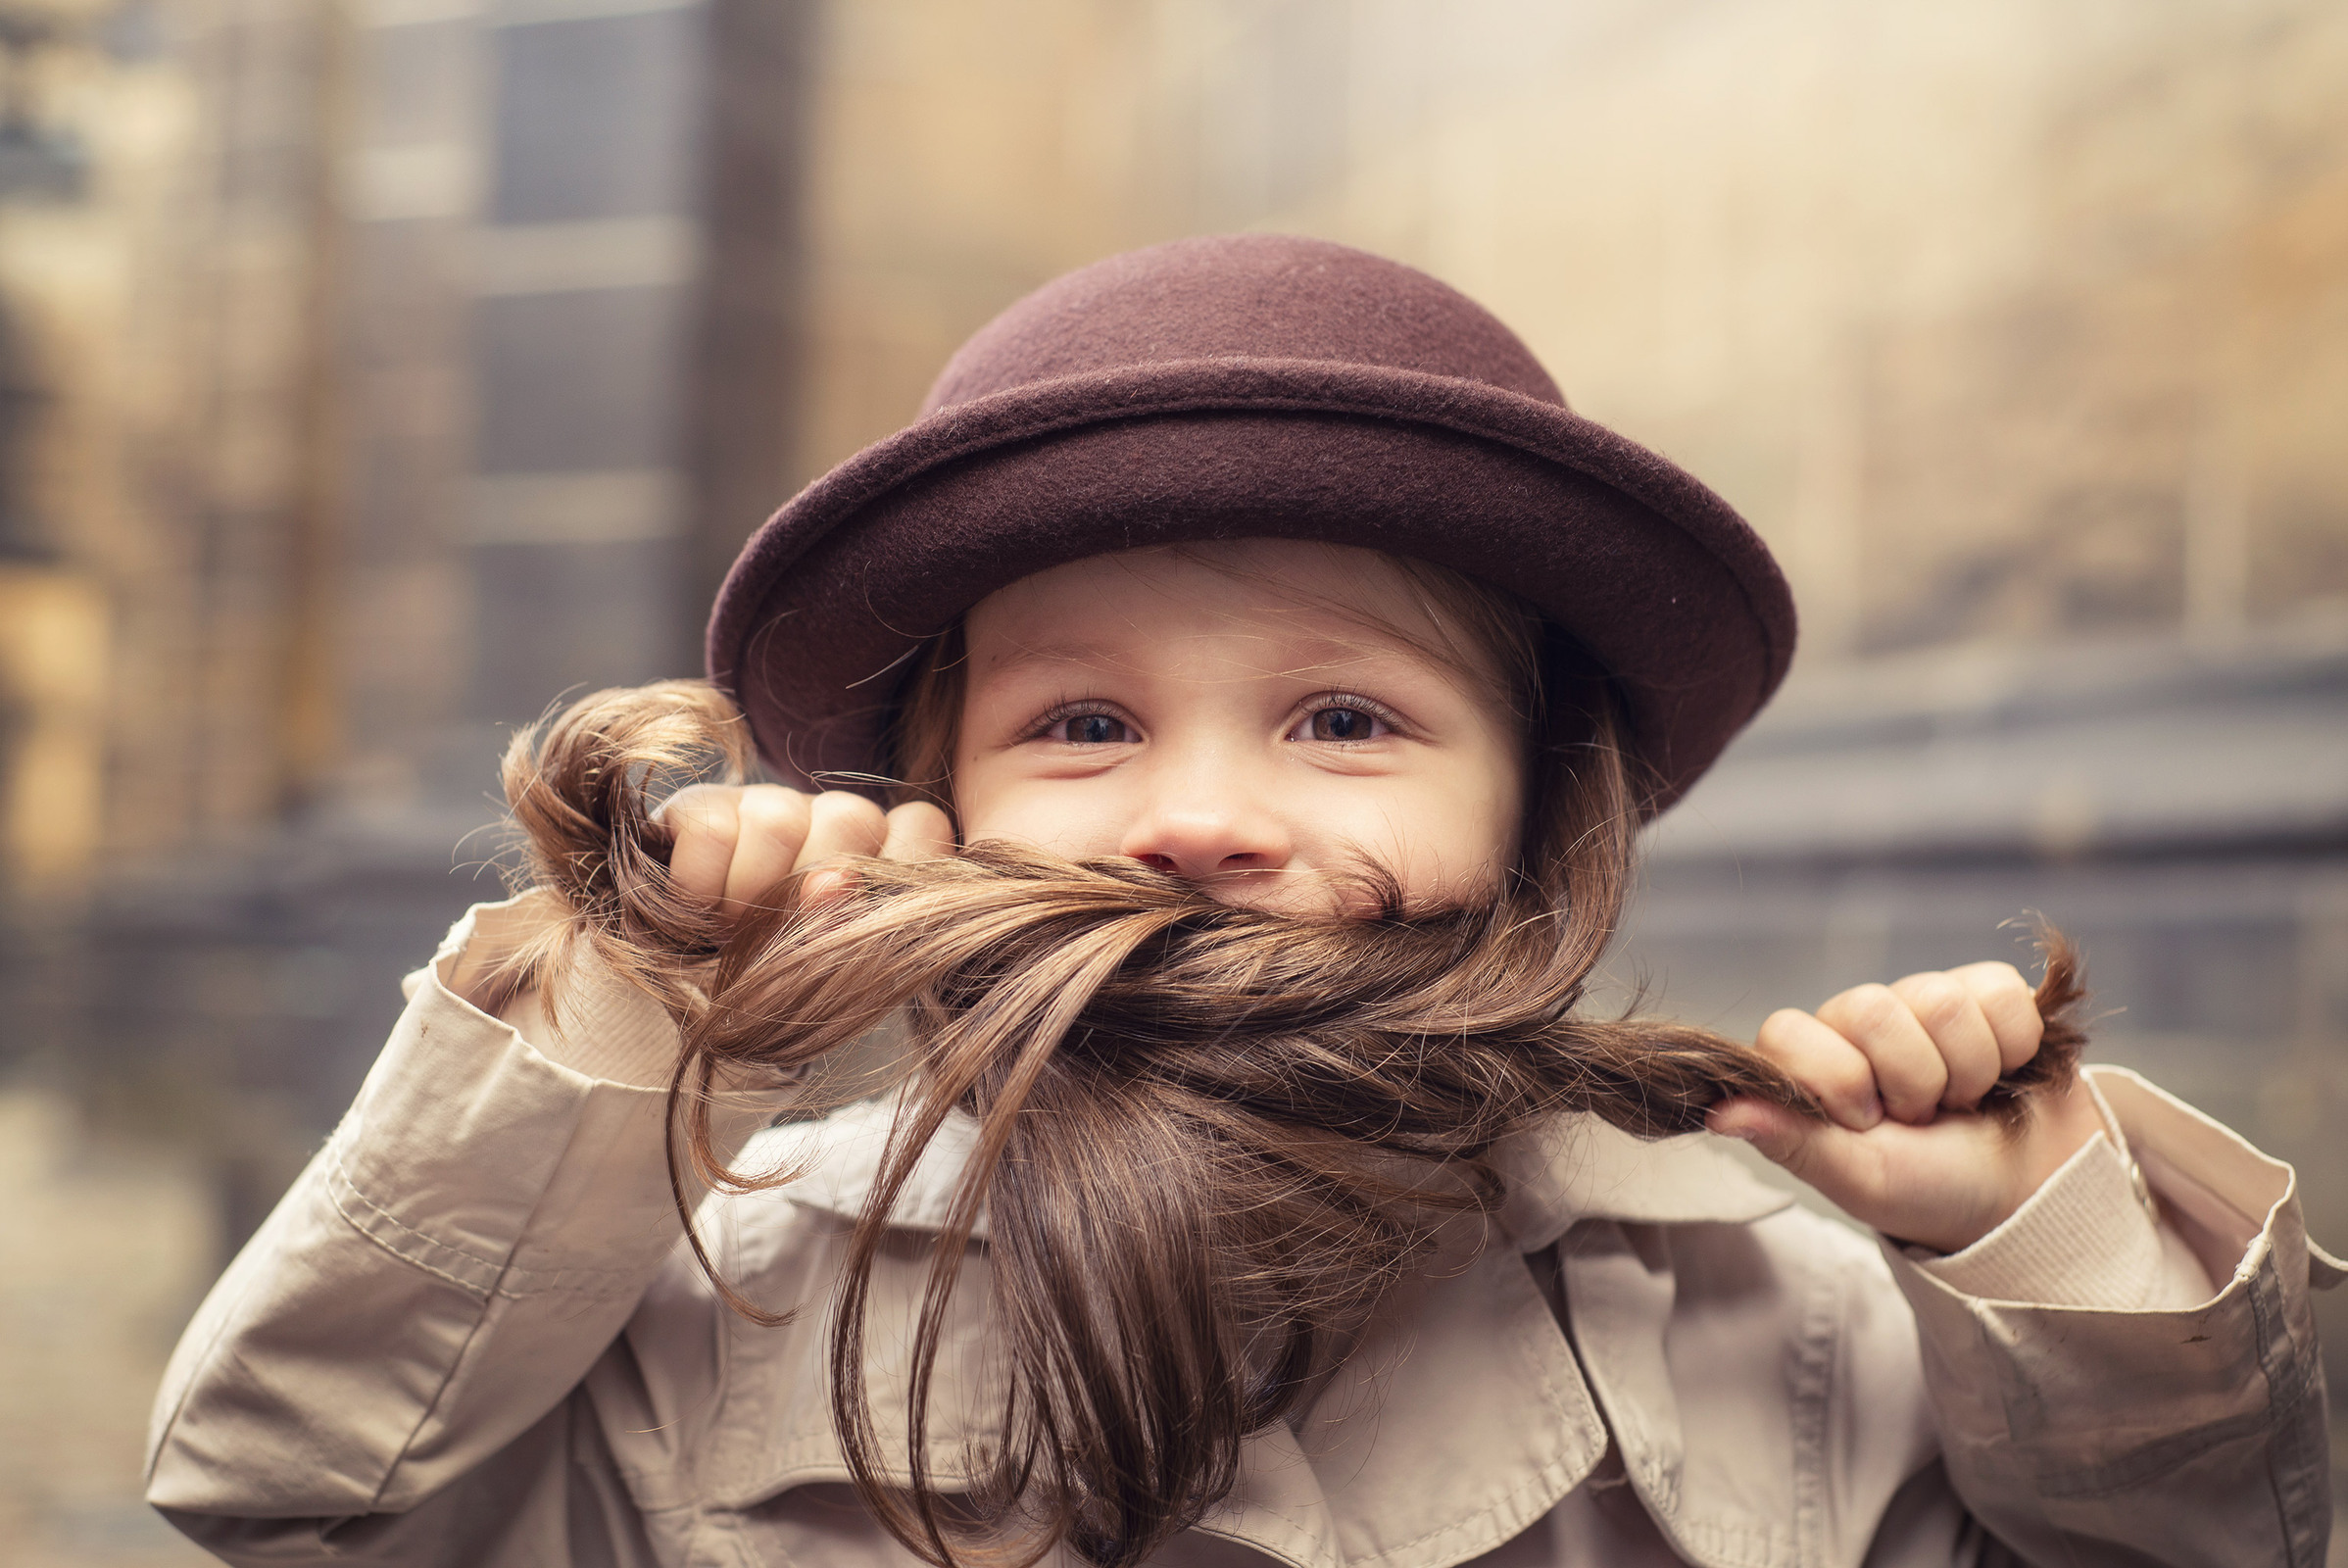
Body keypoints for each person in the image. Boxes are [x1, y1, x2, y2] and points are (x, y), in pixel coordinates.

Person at [146, 236, 2336, 1568]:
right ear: (927, 800)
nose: (1198, 817)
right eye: (1082, 725)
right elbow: (301, 1502)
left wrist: (2030, 1241)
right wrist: (627, 1009)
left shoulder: (1790, 1301)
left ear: (1537, 808)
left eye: (1346, 721)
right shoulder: (727, 1283)